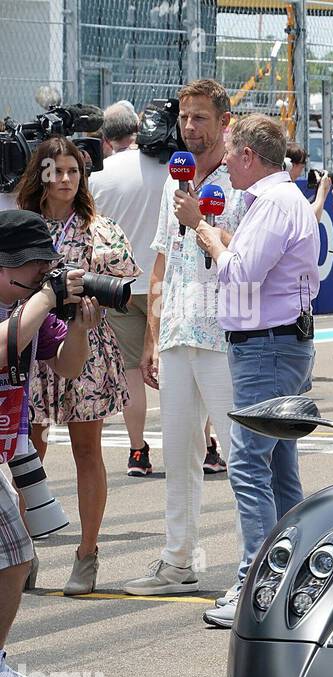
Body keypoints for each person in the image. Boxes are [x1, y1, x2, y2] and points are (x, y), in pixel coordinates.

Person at [192, 114, 320, 628]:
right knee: (279, 462)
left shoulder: (273, 203)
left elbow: (241, 274)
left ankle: (256, 581)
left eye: (230, 151)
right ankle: (290, 576)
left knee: (248, 460)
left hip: (266, 346)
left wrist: (208, 237)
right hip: (278, 344)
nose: (224, 160)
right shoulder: (283, 199)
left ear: (248, 154)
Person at [125, 79, 248, 598]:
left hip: (224, 334)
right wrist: (152, 334)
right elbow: (160, 261)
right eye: (184, 116)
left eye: (200, 117)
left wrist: (203, 221)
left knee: (242, 455)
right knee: (178, 452)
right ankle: (177, 561)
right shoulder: (171, 183)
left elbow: (244, 256)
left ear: (224, 122)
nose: (189, 126)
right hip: (176, 329)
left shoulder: (244, 182)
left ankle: (254, 568)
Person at [15, 137, 139, 596]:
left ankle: (86, 554)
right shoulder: (23, 227)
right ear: (41, 175)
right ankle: (21, 552)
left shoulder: (99, 227)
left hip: (86, 346)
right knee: (28, 450)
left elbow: (122, 283)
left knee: (88, 451)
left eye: (73, 171)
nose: (66, 179)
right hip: (30, 344)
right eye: (57, 171)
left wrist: (92, 308)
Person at [0, 213, 96, 677]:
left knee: (15, 557)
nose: (42, 284)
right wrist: (43, 298)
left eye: (46, 275)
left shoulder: (30, 308)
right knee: (14, 556)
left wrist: (78, 326)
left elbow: (70, 366)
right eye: (33, 275)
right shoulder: (22, 310)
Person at [89, 99, 171, 476]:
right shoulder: (169, 166)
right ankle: (205, 446)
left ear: (106, 138)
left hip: (118, 282)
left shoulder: (99, 173)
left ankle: (138, 450)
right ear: (138, 129)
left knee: (130, 372)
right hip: (163, 279)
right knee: (177, 366)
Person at [286, 141, 333, 222]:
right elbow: (312, 219)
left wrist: (323, 191)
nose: (302, 169)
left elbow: (308, 212)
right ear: (291, 165)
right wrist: (322, 189)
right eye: (302, 164)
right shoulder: (288, 189)